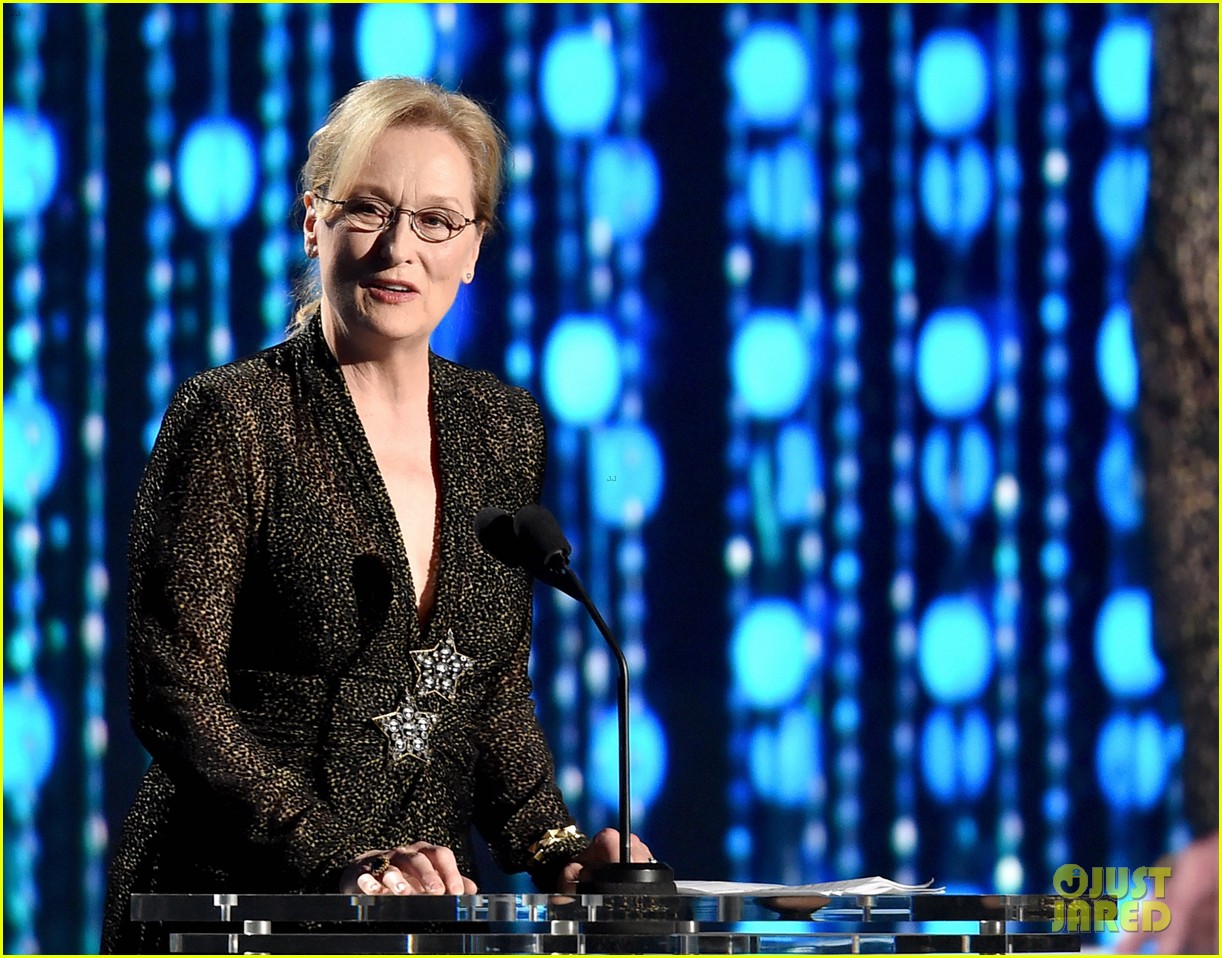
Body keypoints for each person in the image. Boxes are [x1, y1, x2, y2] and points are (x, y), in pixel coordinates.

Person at [101, 76, 652, 953]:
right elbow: (176, 695)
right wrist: (340, 859)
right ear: (313, 221)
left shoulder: (501, 427)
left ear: (473, 249)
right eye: (369, 210)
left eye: (437, 220)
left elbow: (486, 695)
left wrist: (560, 854)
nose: (401, 248)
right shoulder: (235, 418)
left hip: (424, 919)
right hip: (232, 906)